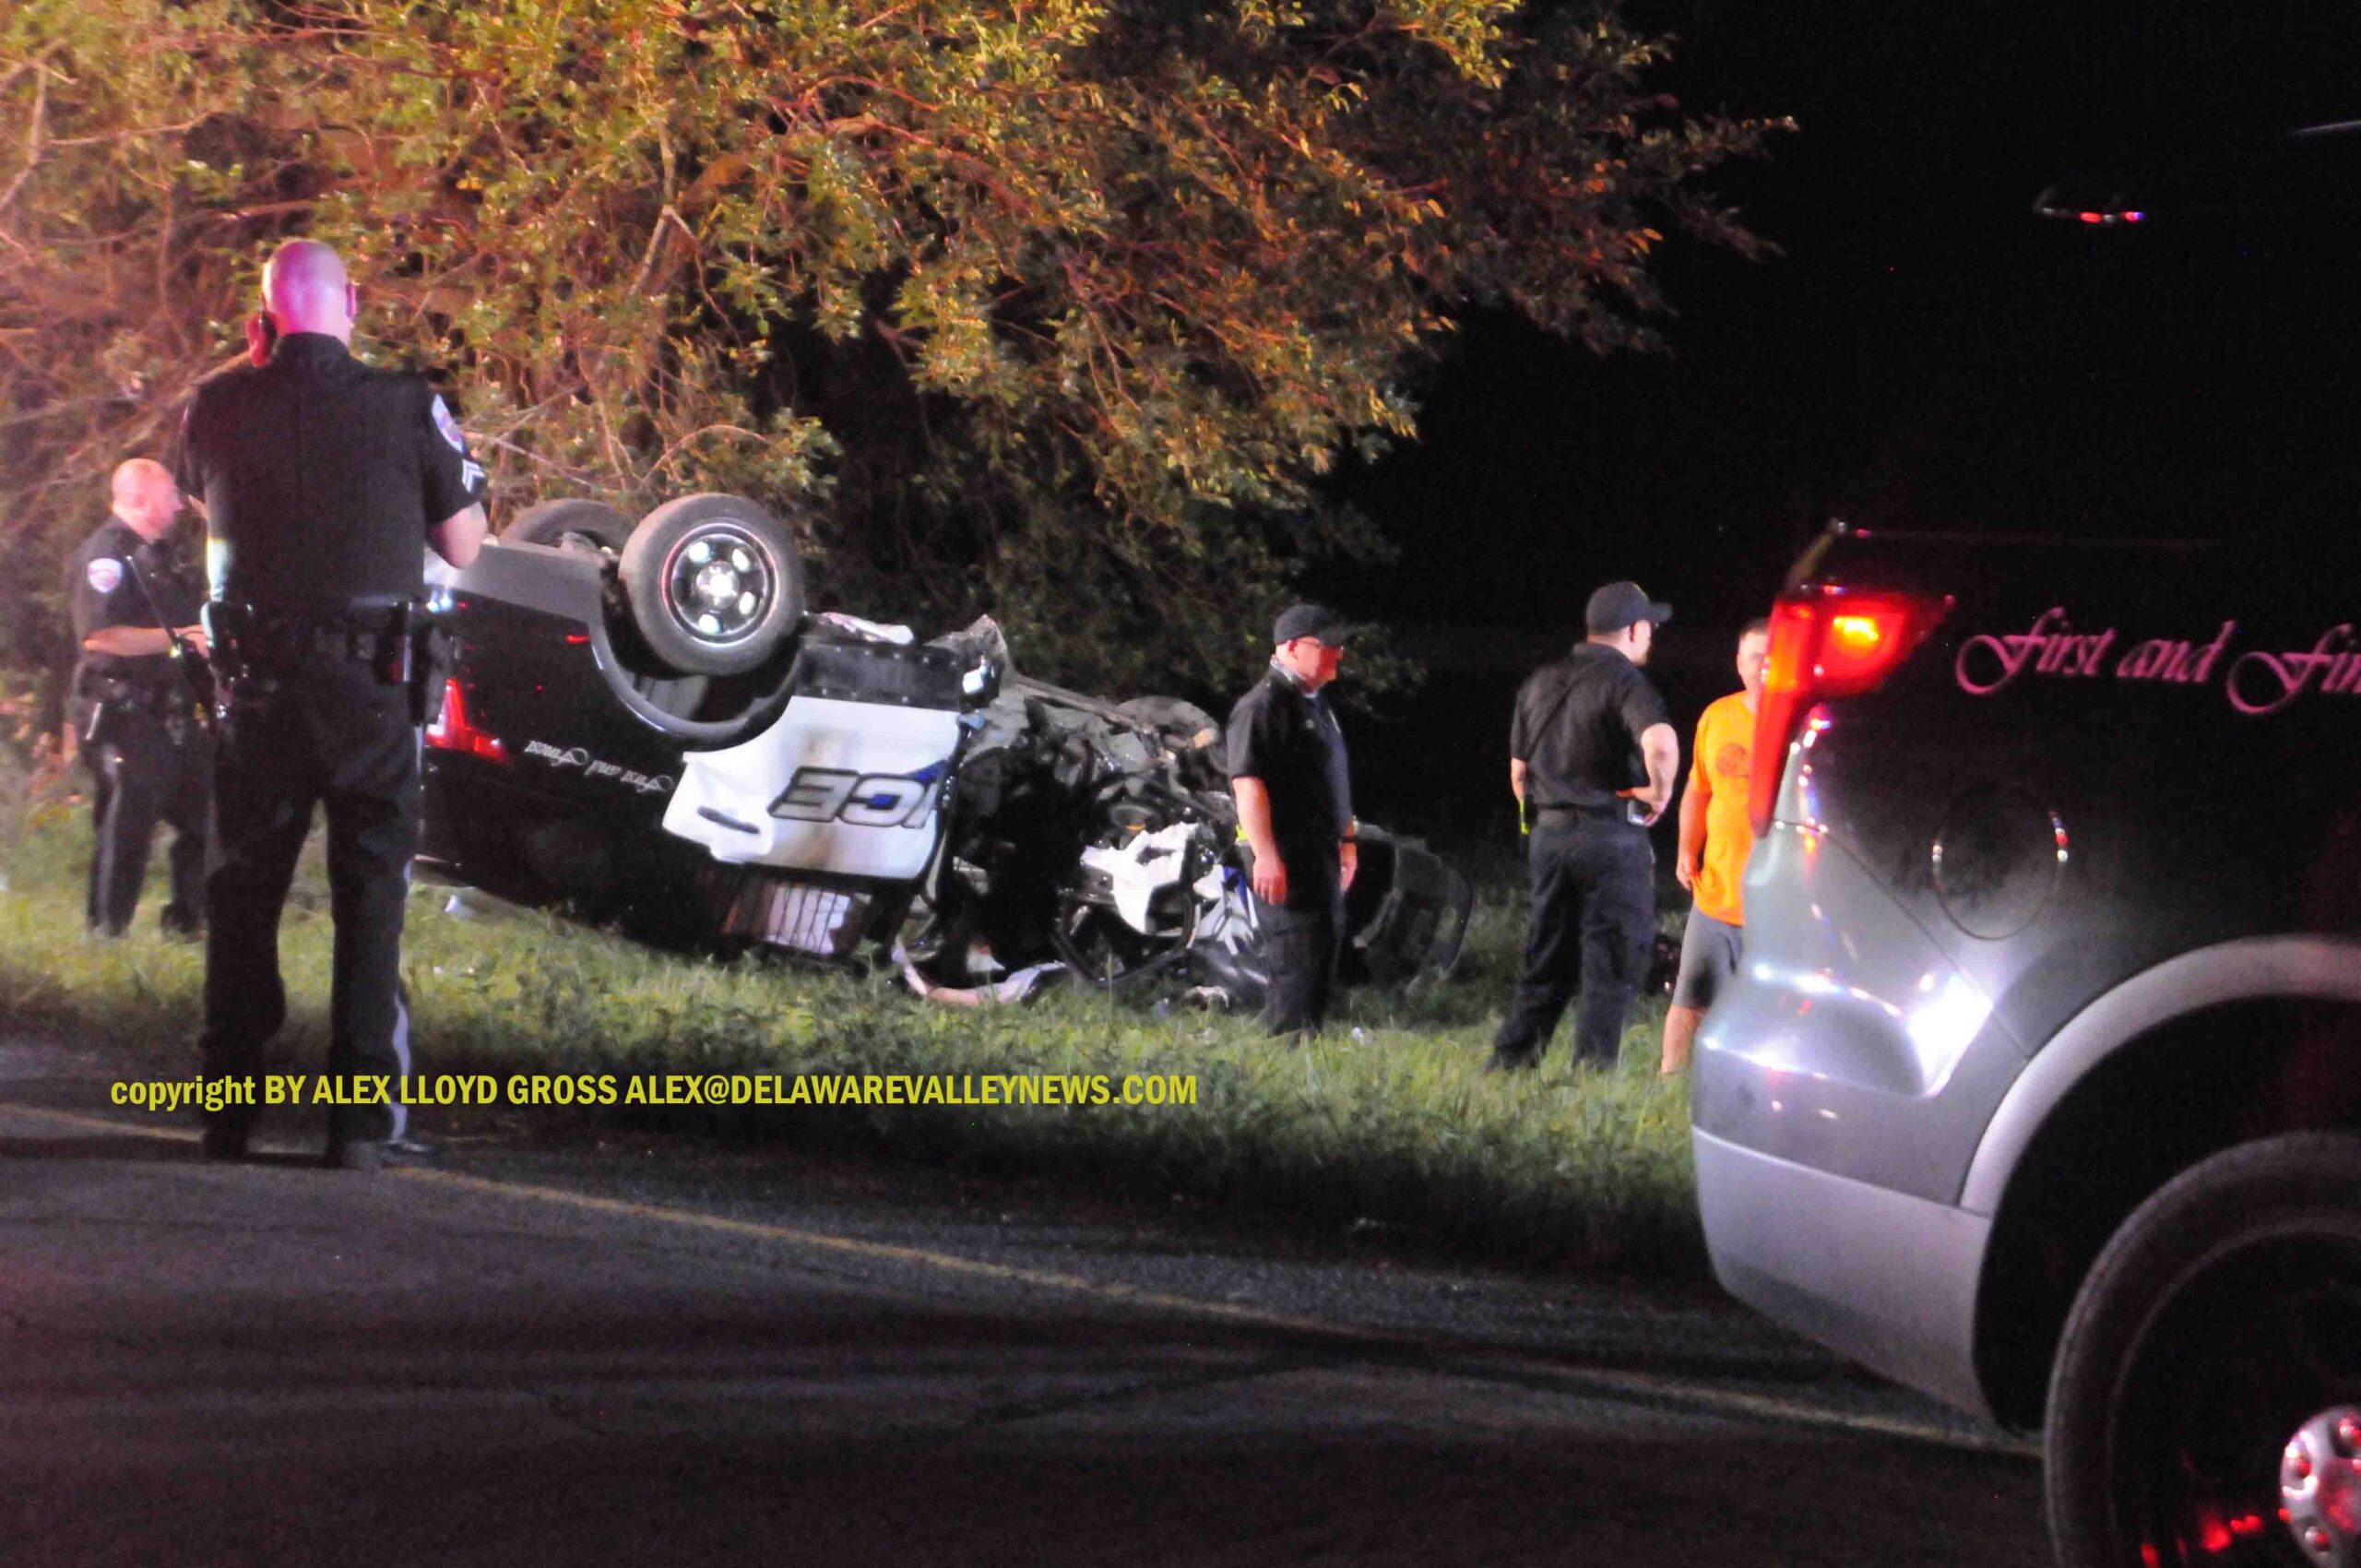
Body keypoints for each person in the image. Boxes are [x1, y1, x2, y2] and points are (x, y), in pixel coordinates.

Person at [180, 239, 488, 1170]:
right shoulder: (406, 404)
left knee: (244, 889)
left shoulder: (217, 402)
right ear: (352, 300)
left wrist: (255, 362)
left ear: (262, 316)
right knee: (370, 888)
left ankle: (228, 1111)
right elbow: (466, 544)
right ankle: (358, 1122)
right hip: (368, 682)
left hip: (258, 681)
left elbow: (214, 509)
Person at [1489, 580, 1679, 1074]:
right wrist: (1659, 793)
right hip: (1610, 836)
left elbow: (1518, 772)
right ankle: (1591, 1074)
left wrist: (1550, 816)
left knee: (1547, 956)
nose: (1652, 636)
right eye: (1650, 627)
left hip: (1549, 838)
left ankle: (1510, 1064)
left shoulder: (1540, 680)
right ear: (1634, 629)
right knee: (1612, 959)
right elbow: (1659, 743)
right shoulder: (1626, 683)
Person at [65, 459, 213, 939]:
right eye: (170, 494)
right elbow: (100, 637)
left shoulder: (162, 558)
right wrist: (183, 637)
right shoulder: (105, 557)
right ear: (141, 500)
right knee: (128, 823)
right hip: (123, 710)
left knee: (206, 815)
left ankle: (188, 923)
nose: (177, 503)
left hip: (171, 709)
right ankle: (108, 930)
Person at [1228, 603, 1358, 1037]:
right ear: (1290, 646)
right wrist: (1265, 854)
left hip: (1319, 853)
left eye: (1340, 645)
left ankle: (1308, 1059)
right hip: (1284, 854)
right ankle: (1284, 1062)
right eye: (1327, 645)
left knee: (1322, 957)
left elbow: (1329, 779)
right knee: (1295, 963)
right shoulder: (1263, 705)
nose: (1338, 653)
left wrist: (1347, 840)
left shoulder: (1318, 705)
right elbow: (1248, 785)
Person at [1660, 618, 1770, 1075]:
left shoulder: (1803, 721)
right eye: (1754, 659)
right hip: (1716, 893)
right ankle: (1667, 1082)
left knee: (1764, 1012)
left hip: (1773, 905)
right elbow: (1698, 791)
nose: (1762, 669)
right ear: (1739, 663)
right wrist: (1687, 847)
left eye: (1772, 660)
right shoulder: (1717, 716)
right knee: (1689, 999)